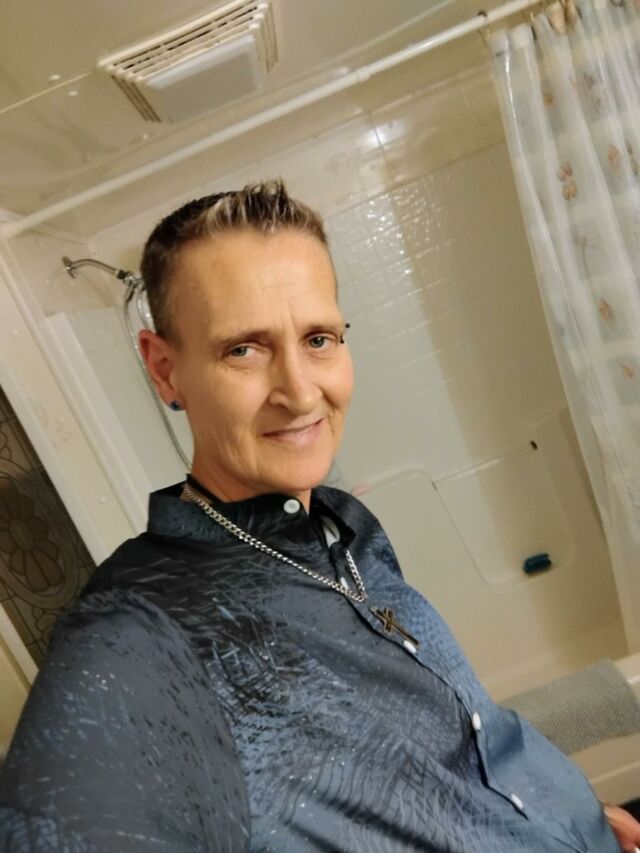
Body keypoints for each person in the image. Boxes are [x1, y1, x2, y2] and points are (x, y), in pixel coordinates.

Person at [0, 181, 638, 852]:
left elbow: (455, 731)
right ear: (165, 370)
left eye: (318, 338)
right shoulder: (144, 633)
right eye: (243, 348)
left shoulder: (348, 525)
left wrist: (566, 809)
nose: (302, 393)